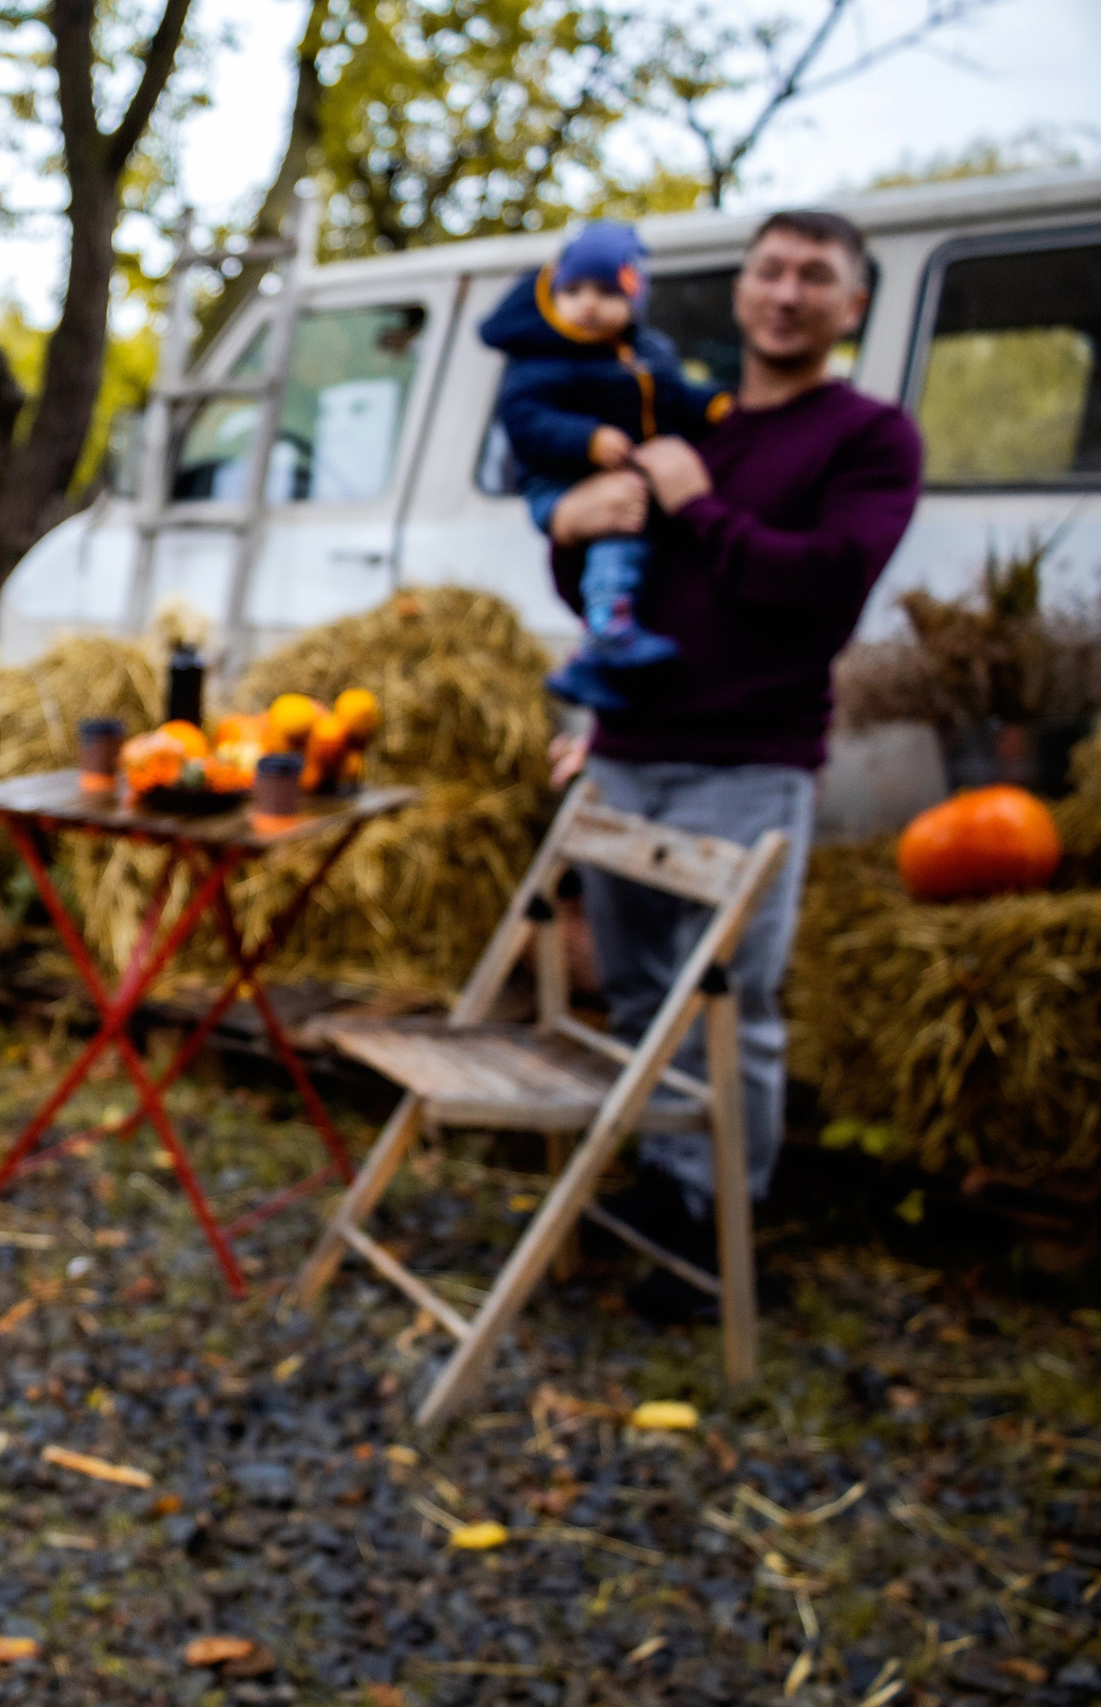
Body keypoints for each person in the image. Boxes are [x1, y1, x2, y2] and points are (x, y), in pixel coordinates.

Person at [544, 209, 923, 1321]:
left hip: (748, 764)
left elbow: (823, 586)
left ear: (849, 305)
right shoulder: (686, 422)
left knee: (730, 1004)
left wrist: (696, 507)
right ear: (742, 291)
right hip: (630, 753)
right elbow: (611, 591)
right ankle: (661, 1189)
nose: (785, 292)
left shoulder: (866, 439)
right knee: (640, 993)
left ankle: (721, 1229)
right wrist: (571, 530)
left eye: (815, 276)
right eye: (769, 270)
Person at [482, 220, 731, 710]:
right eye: (573, 290)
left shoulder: (650, 353)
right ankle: (607, 631)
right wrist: (587, 440)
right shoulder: (542, 358)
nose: (588, 303)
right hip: (560, 484)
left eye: (604, 290)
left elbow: (674, 397)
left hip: (619, 479)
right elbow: (525, 419)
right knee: (618, 545)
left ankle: (590, 659)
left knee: (636, 550)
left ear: (634, 297)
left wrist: (713, 406)